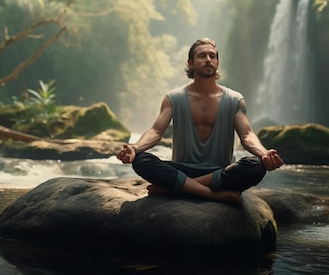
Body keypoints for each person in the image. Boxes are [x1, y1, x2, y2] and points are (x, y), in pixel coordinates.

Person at [117, 37, 284, 204]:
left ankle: (178, 189)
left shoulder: (234, 100)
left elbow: (247, 135)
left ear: (217, 63)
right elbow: (155, 131)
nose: (208, 60)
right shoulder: (173, 98)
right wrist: (134, 148)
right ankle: (211, 194)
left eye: (212, 56)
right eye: (202, 56)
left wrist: (264, 154)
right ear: (190, 63)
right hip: (183, 169)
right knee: (141, 160)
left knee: (256, 165)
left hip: (219, 171)